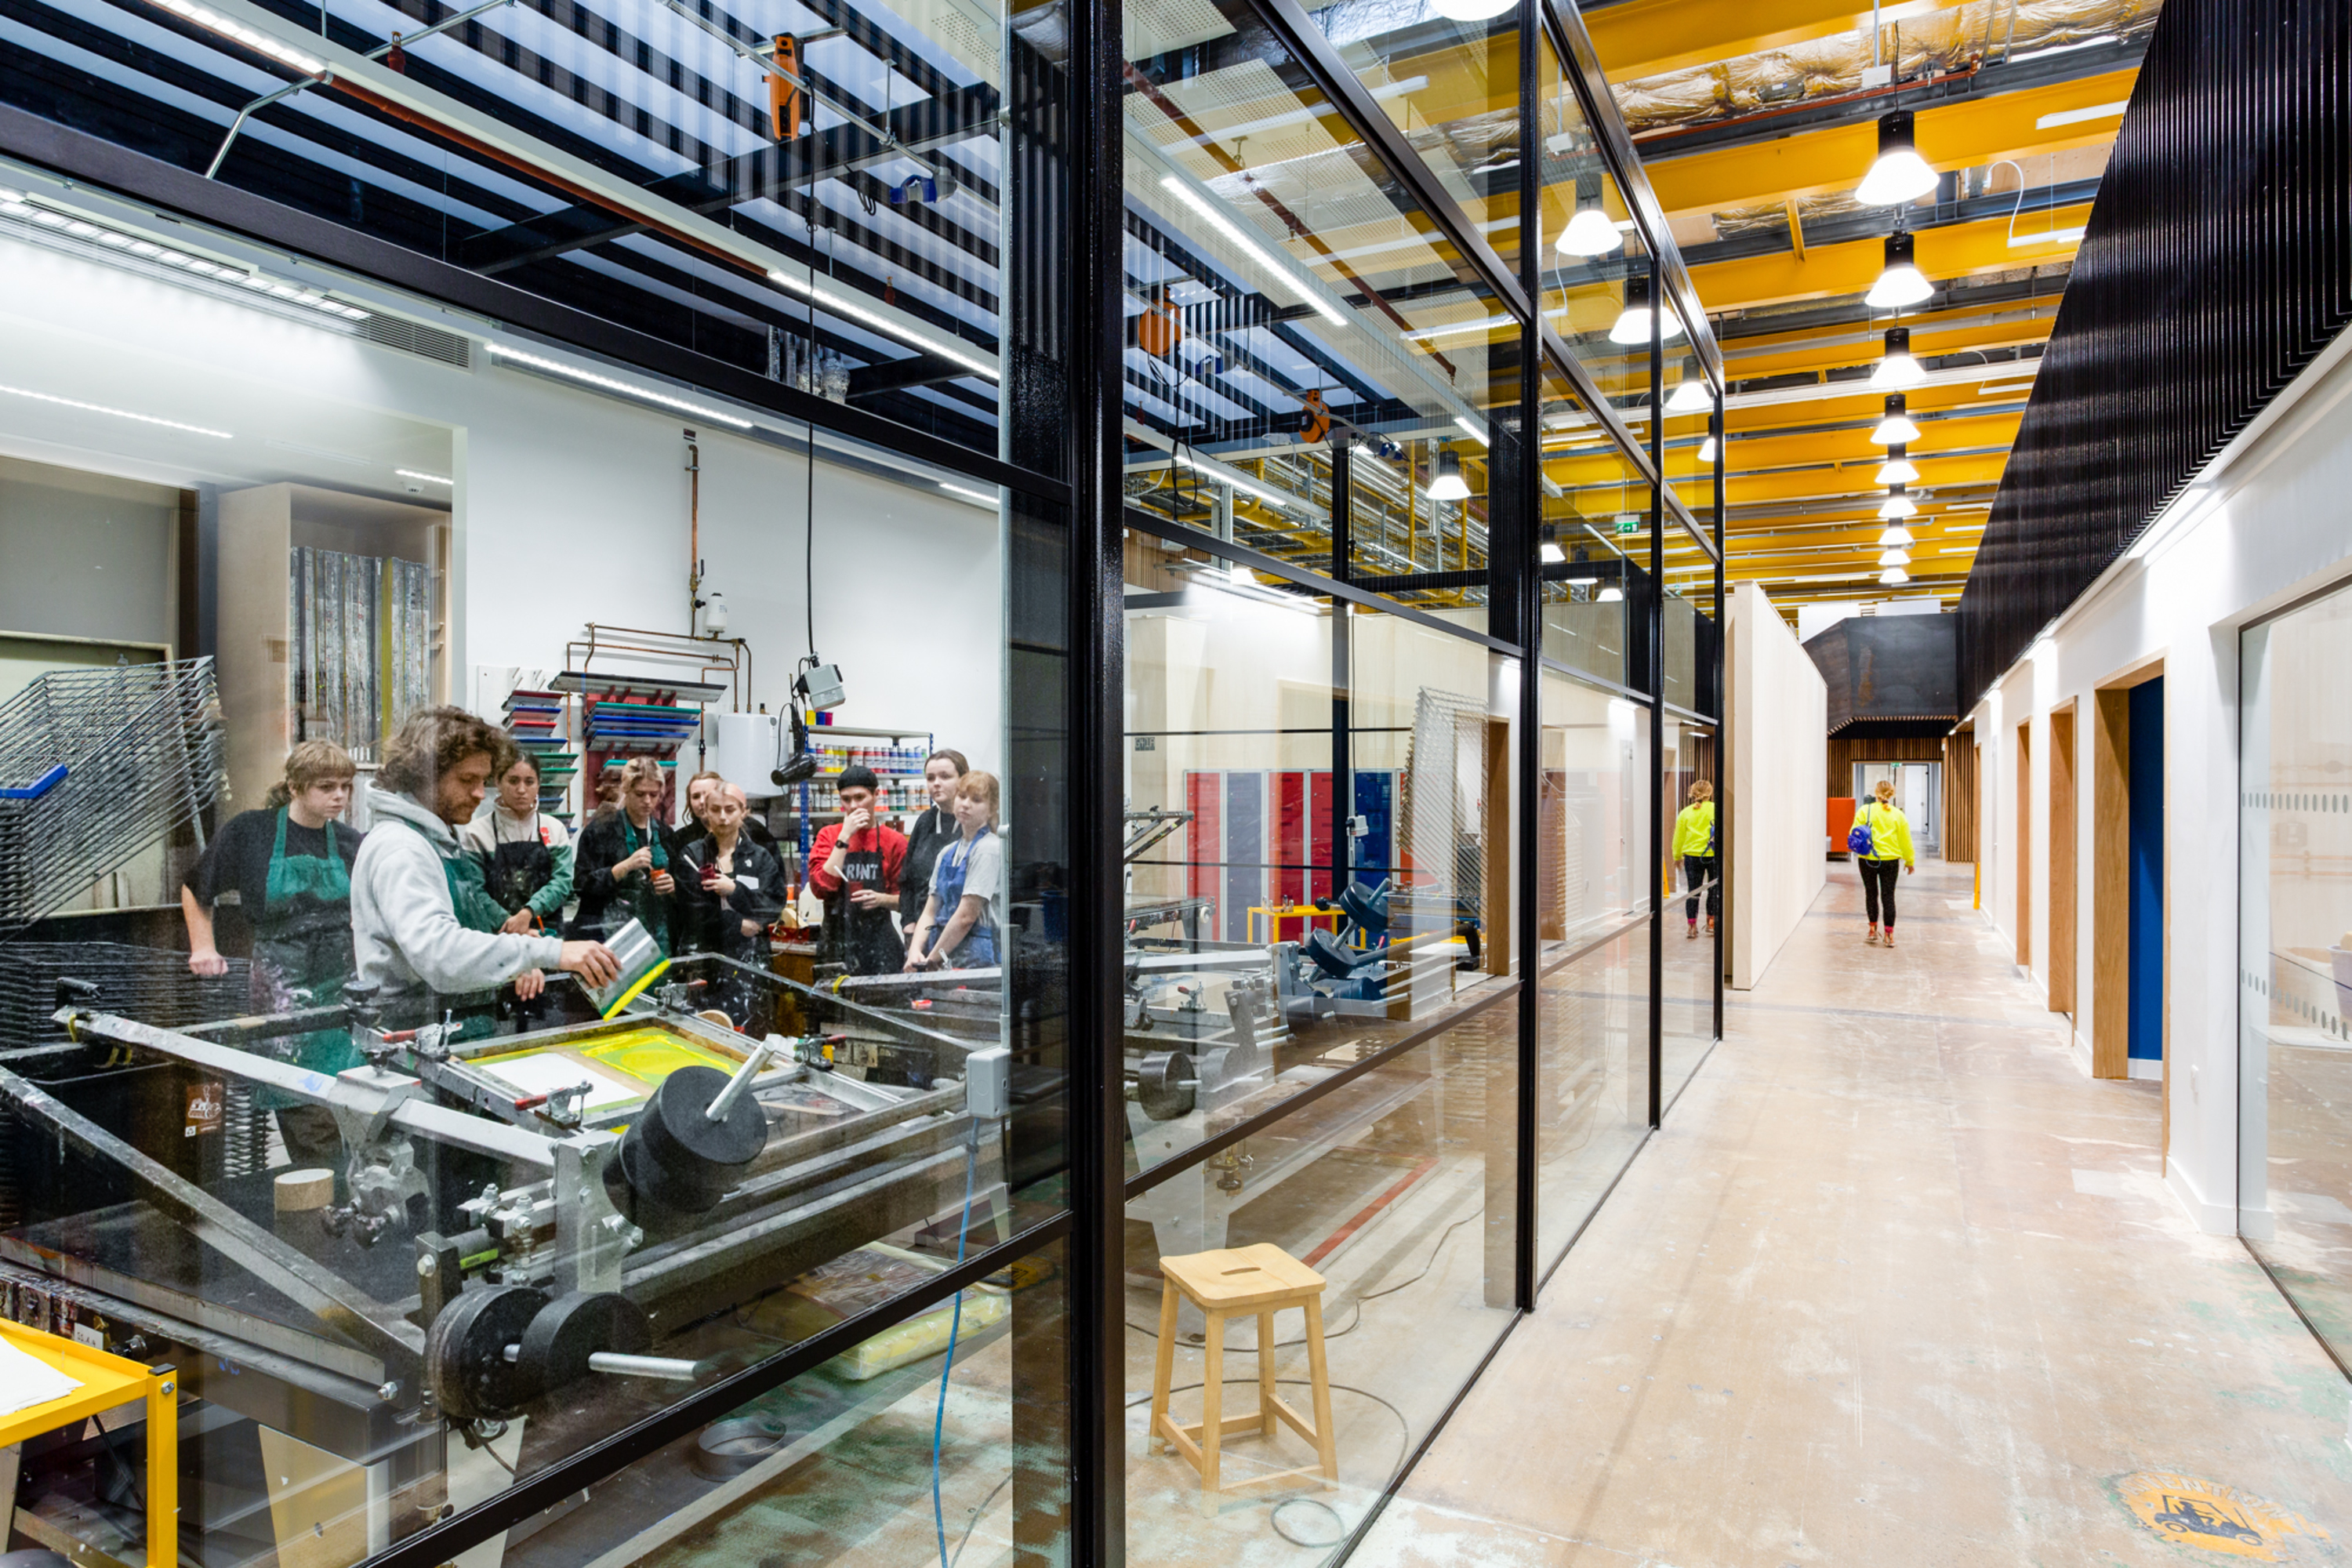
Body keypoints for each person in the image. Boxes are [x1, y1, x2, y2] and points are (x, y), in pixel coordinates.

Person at [350, 706, 618, 1013]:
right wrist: (547, 951)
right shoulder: (402, 848)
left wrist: (515, 953)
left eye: (483, 781)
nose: (480, 794)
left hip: (449, 1017)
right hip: (413, 1025)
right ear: (424, 774)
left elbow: (460, 926)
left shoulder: (438, 839)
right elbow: (442, 956)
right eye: (467, 780)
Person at [180, 740, 364, 1163]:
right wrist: (203, 946)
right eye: (327, 787)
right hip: (284, 992)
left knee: (349, 1112)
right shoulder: (252, 832)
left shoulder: (353, 843)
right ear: (296, 787)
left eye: (346, 787)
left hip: (342, 993)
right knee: (304, 1110)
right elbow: (196, 887)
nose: (340, 796)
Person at [676, 783, 785, 1024]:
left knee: (753, 1029)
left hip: (751, 963)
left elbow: (774, 903)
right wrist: (738, 923)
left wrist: (735, 890)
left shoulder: (760, 857)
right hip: (704, 959)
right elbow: (693, 912)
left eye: (730, 809)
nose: (722, 817)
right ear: (705, 811)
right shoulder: (691, 856)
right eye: (715, 810)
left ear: (743, 812)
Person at [805, 763, 908, 975]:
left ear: (876, 795)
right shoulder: (828, 835)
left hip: (880, 946)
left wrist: (881, 899)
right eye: (846, 799)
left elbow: (908, 900)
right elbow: (821, 887)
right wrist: (844, 837)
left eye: (860, 798)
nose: (853, 806)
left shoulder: (894, 841)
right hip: (836, 942)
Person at [459, 750, 573, 935]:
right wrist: (510, 924)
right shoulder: (477, 833)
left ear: (538, 785)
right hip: (496, 936)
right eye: (513, 781)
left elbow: (562, 882)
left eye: (529, 782)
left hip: (546, 935)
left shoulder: (555, 829)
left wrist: (528, 912)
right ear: (498, 782)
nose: (521, 790)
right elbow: (474, 891)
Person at [573, 757, 677, 953]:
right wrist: (622, 868)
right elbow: (581, 883)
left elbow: (683, 886)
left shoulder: (665, 834)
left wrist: (673, 887)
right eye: (640, 794)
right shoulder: (600, 831)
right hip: (609, 932)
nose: (647, 801)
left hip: (657, 930)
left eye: (653, 795)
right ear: (626, 790)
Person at [905, 770, 1003, 971]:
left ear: (992, 809)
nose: (965, 804)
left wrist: (932, 960)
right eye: (962, 796)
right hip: (946, 953)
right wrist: (914, 952)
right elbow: (930, 911)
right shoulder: (947, 852)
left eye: (976, 800)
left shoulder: (988, 849)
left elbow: (966, 917)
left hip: (979, 959)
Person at [898, 749, 967, 960]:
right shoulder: (925, 821)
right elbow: (907, 879)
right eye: (931, 778)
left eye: (945, 777)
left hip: (962, 935)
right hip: (921, 933)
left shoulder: (971, 823)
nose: (936, 783)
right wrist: (908, 924)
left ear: (964, 779)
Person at [1857, 776, 1917, 948]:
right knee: (1888, 896)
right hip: (1891, 861)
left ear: (1876, 793)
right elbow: (1906, 840)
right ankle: (1889, 936)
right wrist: (1909, 861)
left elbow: (1855, 833)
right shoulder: (1898, 815)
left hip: (1867, 859)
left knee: (1871, 894)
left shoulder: (1864, 811)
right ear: (1891, 794)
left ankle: (1873, 930)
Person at [1672, 779, 1719, 939]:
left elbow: (1678, 837)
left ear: (1692, 793)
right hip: (1713, 855)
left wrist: (1677, 856)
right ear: (1710, 793)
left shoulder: (1686, 812)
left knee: (1693, 891)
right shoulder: (1716, 809)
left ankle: (1691, 926)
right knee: (1714, 890)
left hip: (1692, 856)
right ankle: (1711, 923)